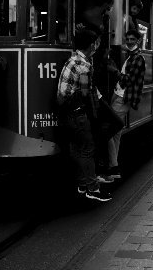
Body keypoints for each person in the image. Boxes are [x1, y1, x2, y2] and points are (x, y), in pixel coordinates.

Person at [57, 28, 112, 202]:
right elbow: (84, 93)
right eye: (95, 43)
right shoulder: (83, 65)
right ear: (90, 45)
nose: (97, 45)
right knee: (88, 149)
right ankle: (93, 189)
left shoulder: (73, 59)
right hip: (77, 112)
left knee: (76, 149)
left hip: (66, 112)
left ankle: (82, 185)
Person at [107, 29, 146, 179]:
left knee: (110, 130)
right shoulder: (131, 56)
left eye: (132, 39)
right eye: (127, 38)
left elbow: (129, 80)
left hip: (123, 98)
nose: (129, 41)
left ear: (138, 40)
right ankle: (113, 165)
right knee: (116, 133)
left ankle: (114, 167)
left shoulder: (138, 59)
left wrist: (114, 70)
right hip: (118, 94)